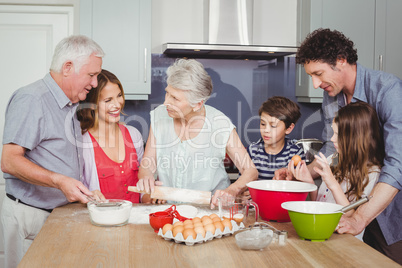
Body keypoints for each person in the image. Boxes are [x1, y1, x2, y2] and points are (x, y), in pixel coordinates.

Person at [277, 28, 402, 264]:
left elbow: (397, 164)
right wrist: (302, 171)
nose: (315, 84)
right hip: (354, 207)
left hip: (391, 212)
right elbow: (330, 148)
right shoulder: (332, 93)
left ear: (341, 61)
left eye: (318, 73)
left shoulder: (388, 90)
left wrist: (360, 218)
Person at [0, 35, 104, 268]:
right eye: (91, 75)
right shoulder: (32, 99)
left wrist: (79, 190)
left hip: (56, 215)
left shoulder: (71, 104)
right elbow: (9, 161)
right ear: (68, 67)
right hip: (31, 216)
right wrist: (59, 181)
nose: (95, 83)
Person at [135, 59, 258, 207]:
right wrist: (147, 177)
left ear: (198, 104)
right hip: (169, 210)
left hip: (211, 211)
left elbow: (250, 170)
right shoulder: (159, 116)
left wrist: (231, 191)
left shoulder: (220, 124)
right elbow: (148, 162)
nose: (166, 102)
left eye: (175, 98)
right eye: (167, 93)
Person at [289, 102, 384, 239]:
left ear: (355, 138)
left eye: (337, 134)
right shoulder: (334, 158)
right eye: (333, 132)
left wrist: (332, 183)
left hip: (344, 241)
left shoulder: (371, 174)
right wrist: (309, 182)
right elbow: (320, 204)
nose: (332, 139)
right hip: (323, 233)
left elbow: (352, 216)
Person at [78, 69, 144, 203]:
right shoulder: (83, 143)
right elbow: (78, 189)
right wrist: (87, 195)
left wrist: (152, 193)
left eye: (119, 96)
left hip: (136, 219)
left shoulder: (133, 135)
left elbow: (143, 185)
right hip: (101, 220)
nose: (117, 104)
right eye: (108, 100)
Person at [248, 96, 305, 180]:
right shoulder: (252, 151)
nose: (266, 130)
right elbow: (243, 185)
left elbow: (299, 186)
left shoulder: (296, 153)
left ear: (289, 128)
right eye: (263, 124)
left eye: (273, 126)